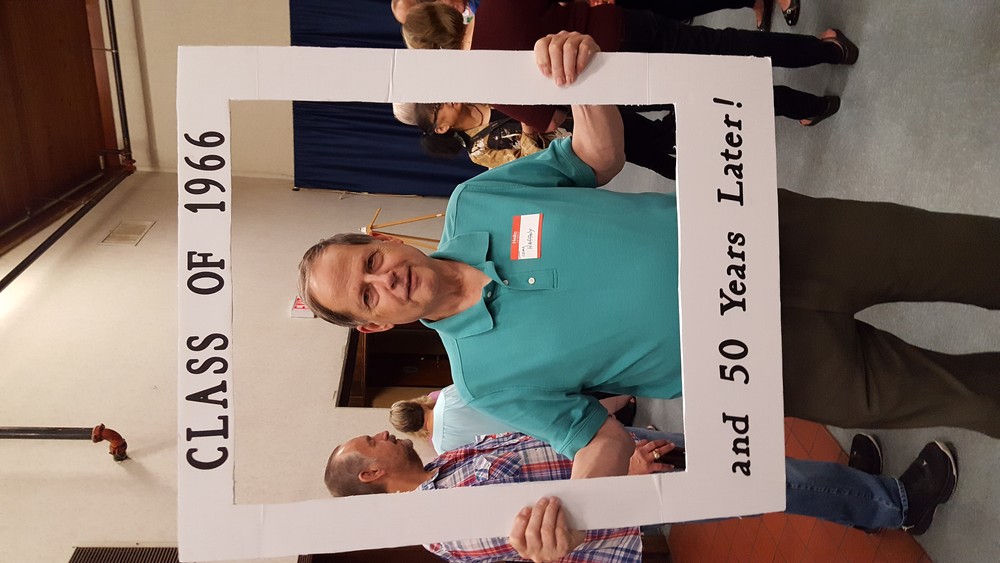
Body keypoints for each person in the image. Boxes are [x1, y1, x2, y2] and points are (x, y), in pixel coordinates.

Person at [300, 31, 1000, 480]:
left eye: (370, 262)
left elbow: (596, 157)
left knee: (969, 254)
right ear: (375, 323)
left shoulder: (475, 201)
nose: (385, 279)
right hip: (759, 359)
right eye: (367, 295)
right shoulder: (483, 382)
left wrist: (581, 78)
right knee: (964, 397)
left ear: (381, 239)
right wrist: (572, 513)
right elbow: (597, 440)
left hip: (780, 239)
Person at [324, 429, 957, 561]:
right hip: (638, 484)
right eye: (372, 442)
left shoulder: (444, 466)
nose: (385, 434)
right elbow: (560, 533)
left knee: (756, 459)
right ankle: (900, 504)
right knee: (767, 479)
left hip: (629, 451)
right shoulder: (445, 523)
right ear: (371, 475)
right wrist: (627, 482)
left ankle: (858, 501)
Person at [402, 0, 852, 127]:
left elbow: (549, 119)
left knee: (722, 97)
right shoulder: (497, 6)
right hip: (617, 26)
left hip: (620, 84)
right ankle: (828, 51)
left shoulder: (484, 81)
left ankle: (808, 106)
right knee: (723, 44)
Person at [393, 101, 678, 178]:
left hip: (575, 109)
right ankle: (694, 177)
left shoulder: (478, 91)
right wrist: (529, 127)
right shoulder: (478, 150)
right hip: (578, 142)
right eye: (437, 107)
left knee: (651, 133)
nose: (446, 100)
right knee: (648, 154)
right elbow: (529, 165)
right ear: (440, 128)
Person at [390, 384, 636, 452]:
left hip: (518, 443)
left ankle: (631, 432)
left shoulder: (442, 449)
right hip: (521, 410)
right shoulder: (447, 397)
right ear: (414, 404)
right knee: (578, 412)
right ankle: (625, 399)